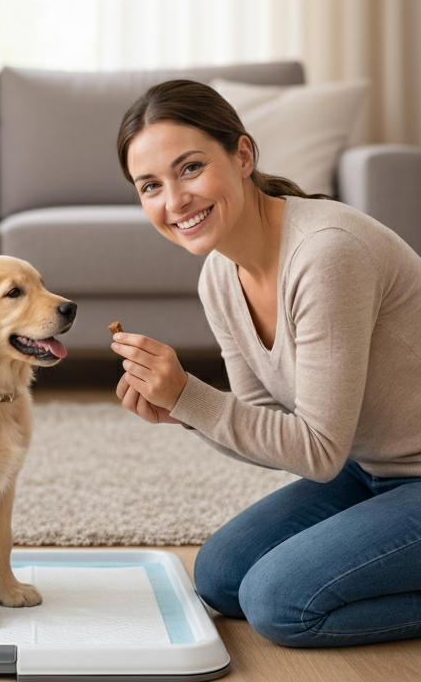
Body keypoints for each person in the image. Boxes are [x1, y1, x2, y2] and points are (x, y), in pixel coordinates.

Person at [111, 78, 421, 648]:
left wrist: (190, 396)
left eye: (190, 168)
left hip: (399, 471)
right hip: (369, 466)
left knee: (279, 604)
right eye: (150, 185)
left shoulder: (327, 254)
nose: (174, 201)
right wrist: (185, 412)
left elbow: (317, 452)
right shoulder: (220, 276)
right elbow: (266, 425)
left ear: (244, 155)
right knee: (220, 577)